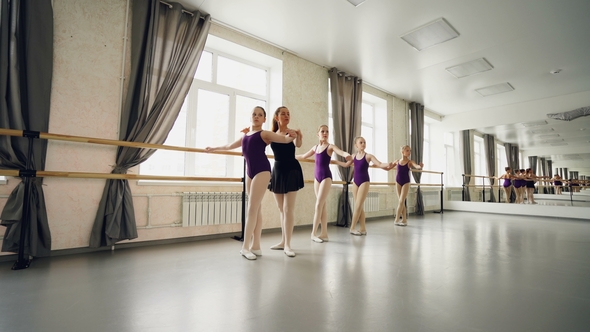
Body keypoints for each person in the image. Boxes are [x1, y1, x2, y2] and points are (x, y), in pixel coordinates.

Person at [206, 106, 295, 261]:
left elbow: (284, 139)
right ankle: (256, 246)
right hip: (250, 173)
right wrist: (213, 148)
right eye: (254, 114)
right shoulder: (245, 136)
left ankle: (245, 247)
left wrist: (292, 136)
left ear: (264, 119)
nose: (256, 116)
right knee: (256, 209)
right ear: (250, 117)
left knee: (251, 209)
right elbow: (228, 146)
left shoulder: (264, 133)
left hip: (262, 170)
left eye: (260, 115)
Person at [297, 125, 352, 243]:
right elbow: (302, 156)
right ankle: (324, 233)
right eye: (322, 131)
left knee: (318, 205)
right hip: (317, 178)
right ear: (318, 134)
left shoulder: (330, 146)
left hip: (326, 177)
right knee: (322, 206)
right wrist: (288, 157)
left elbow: (340, 152)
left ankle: (313, 233)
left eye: (327, 131)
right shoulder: (315, 147)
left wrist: (346, 155)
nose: (325, 133)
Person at [267, 106, 304, 257]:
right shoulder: (270, 135)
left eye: (288, 113)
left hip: (291, 170)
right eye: (283, 114)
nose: (287, 116)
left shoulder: (292, 132)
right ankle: (283, 241)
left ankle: (288, 244)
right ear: (277, 117)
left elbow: (298, 144)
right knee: (281, 209)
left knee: (288, 209)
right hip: (277, 170)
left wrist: (299, 136)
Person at [343, 136, 393, 235]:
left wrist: (388, 164)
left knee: (357, 206)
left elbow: (379, 163)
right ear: (356, 145)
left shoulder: (368, 156)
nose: (363, 144)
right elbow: (345, 165)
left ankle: (352, 228)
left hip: (364, 181)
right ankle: (363, 228)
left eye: (364, 142)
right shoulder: (353, 156)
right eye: (361, 142)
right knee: (359, 206)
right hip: (355, 182)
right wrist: (332, 162)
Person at [392, 145, 424, 226]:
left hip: (406, 182)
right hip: (398, 182)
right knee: (401, 202)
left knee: (401, 201)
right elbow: (389, 166)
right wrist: (377, 165)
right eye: (407, 150)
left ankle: (396, 219)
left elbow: (416, 166)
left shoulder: (410, 162)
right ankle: (404, 220)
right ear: (402, 152)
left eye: (410, 150)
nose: (409, 152)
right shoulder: (397, 161)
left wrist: (420, 166)